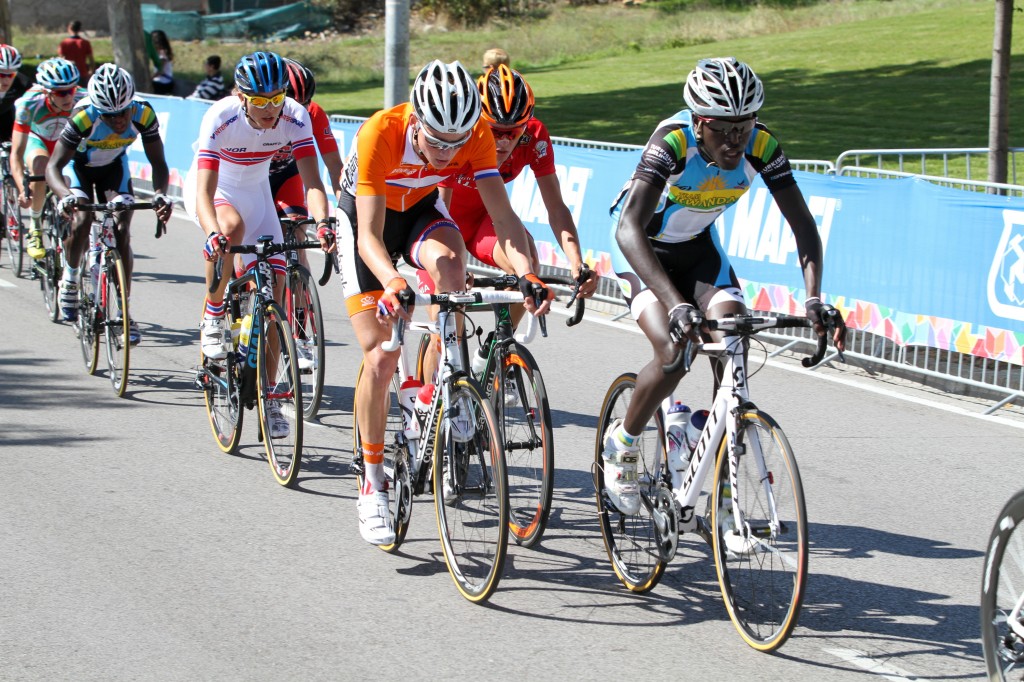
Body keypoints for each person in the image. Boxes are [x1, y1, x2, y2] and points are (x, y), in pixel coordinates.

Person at [600, 57, 846, 515]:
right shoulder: (671, 143)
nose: (735, 141)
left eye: (744, 126)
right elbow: (629, 229)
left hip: (698, 250)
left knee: (734, 344)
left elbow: (804, 227)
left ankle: (722, 467)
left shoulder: (763, 146)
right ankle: (623, 444)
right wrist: (674, 304)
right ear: (698, 123)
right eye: (722, 129)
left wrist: (814, 298)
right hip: (643, 251)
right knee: (675, 354)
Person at [338, 59, 552, 546]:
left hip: (418, 211)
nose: (446, 154)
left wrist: (526, 274)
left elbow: (504, 216)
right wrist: (393, 281)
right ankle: (372, 482)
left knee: (452, 271)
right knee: (381, 353)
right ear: (415, 122)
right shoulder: (380, 133)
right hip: (364, 222)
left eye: (457, 144)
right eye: (437, 142)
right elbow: (370, 237)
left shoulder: (475, 134)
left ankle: (442, 385)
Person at [185, 51, 334, 438]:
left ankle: (270, 398)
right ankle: (214, 314)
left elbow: (313, 183)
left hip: (258, 193)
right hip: (218, 191)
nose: (270, 109)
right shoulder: (220, 117)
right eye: (260, 100)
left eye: (277, 98)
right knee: (230, 228)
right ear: (241, 95)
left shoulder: (295, 117)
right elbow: (203, 191)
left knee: (276, 297)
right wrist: (212, 232)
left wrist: (323, 223)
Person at [421, 64, 598, 374]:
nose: (502, 142)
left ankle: (493, 353)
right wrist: (454, 266)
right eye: (495, 132)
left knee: (527, 261)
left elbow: (556, 207)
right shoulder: (463, 136)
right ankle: (423, 407)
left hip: (483, 222)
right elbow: (440, 206)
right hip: (441, 223)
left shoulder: (534, 138)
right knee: (448, 325)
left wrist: (577, 263)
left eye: (512, 133)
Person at [45, 63, 173, 342]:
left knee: (122, 229)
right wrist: (65, 197)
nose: (118, 120)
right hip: (77, 169)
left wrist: (161, 194)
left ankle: (123, 310)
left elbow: (159, 163)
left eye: (123, 112)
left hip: (114, 168)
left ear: (131, 104)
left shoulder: (143, 112)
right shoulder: (83, 117)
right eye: (109, 115)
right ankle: (70, 277)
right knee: (81, 218)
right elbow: (53, 166)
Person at [11, 57, 86, 261]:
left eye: (71, 89)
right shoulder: (28, 104)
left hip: (65, 143)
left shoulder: (83, 98)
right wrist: (22, 188)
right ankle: (35, 228)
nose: (68, 96)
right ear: (46, 91)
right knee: (41, 167)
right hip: (39, 141)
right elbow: (17, 152)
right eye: (61, 92)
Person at [0, 44, 30, 143]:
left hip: (8, 125)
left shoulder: (23, 83)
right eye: (1, 74)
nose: (6, 79)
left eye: (11, 74)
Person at [149, 30, 174, 95]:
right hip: (161, 80)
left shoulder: (162, 54)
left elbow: (160, 70)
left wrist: (150, 78)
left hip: (163, 82)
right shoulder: (159, 53)